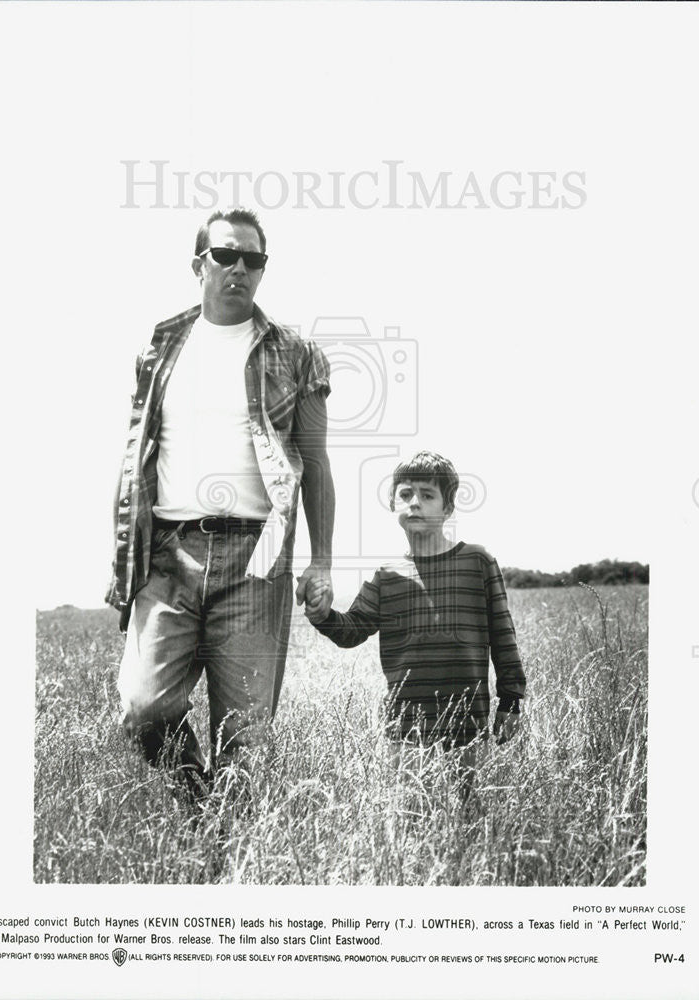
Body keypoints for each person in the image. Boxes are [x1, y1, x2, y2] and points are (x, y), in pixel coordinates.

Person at [106, 208, 335, 797]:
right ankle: (198, 801)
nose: (239, 268)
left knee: (247, 736)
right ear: (198, 264)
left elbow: (316, 464)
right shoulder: (159, 348)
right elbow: (139, 453)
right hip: (167, 550)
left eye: (252, 259)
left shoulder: (296, 353)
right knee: (143, 708)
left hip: (257, 555)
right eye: (225, 255)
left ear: (263, 269)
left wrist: (324, 560)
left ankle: (222, 850)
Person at [304, 451, 525, 760]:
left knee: (467, 808)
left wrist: (510, 701)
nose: (414, 502)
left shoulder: (478, 561)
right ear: (394, 504)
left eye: (427, 494)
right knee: (408, 807)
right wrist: (323, 615)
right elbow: (352, 629)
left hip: (467, 722)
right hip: (405, 727)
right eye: (405, 494)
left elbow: (504, 635)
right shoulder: (387, 574)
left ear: (447, 508)